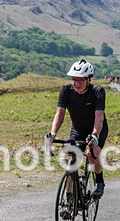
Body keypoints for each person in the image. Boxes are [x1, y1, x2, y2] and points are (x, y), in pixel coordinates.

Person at [45, 59, 108, 199]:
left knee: (92, 154)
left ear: (88, 80)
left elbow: (99, 117)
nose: (76, 84)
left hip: (96, 129)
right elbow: (59, 113)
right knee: (71, 163)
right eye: (74, 79)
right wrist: (53, 133)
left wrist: (95, 135)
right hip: (78, 130)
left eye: (80, 80)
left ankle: (99, 182)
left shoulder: (97, 91)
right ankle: (69, 198)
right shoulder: (66, 90)